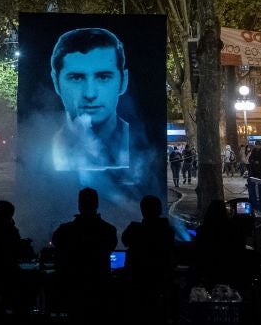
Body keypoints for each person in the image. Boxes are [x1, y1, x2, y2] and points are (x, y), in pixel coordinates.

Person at [49, 28, 130, 171]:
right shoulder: (44, 147)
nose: (90, 93)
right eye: (76, 78)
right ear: (56, 82)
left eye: (103, 77)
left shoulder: (141, 143)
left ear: (123, 81)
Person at [51, 187, 118, 322]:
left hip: (74, 288)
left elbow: (57, 246)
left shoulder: (64, 231)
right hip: (99, 287)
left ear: (79, 205)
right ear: (97, 204)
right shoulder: (109, 230)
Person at [121, 195, 174, 320]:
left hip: (137, 283)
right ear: (160, 209)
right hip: (159, 283)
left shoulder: (135, 229)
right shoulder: (167, 231)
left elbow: (125, 241)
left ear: (142, 210)